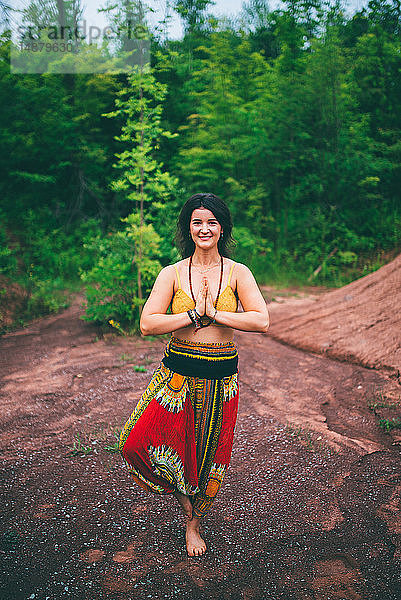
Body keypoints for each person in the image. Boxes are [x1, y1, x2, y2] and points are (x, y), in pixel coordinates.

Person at [119, 193, 269, 557]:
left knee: (206, 457)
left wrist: (215, 313)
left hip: (220, 379)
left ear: (222, 228)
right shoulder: (171, 273)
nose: (205, 229)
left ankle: (192, 523)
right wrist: (192, 316)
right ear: (188, 228)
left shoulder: (238, 272)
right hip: (177, 377)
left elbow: (261, 320)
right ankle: (184, 500)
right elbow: (147, 323)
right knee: (137, 443)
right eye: (197, 222)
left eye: (212, 222)